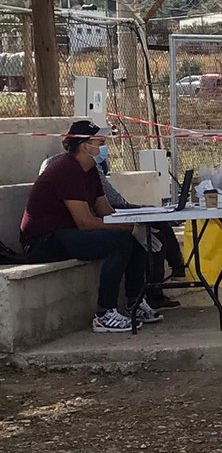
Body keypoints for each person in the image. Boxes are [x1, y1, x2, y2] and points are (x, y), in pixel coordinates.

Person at [20, 120, 164, 333]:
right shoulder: (66, 169)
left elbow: (105, 211)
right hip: (45, 240)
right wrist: (130, 229)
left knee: (133, 238)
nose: (103, 145)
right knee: (119, 243)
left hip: (68, 232)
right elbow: (85, 222)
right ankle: (105, 313)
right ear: (85, 145)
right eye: (99, 141)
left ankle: (135, 302)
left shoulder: (89, 170)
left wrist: (136, 224)